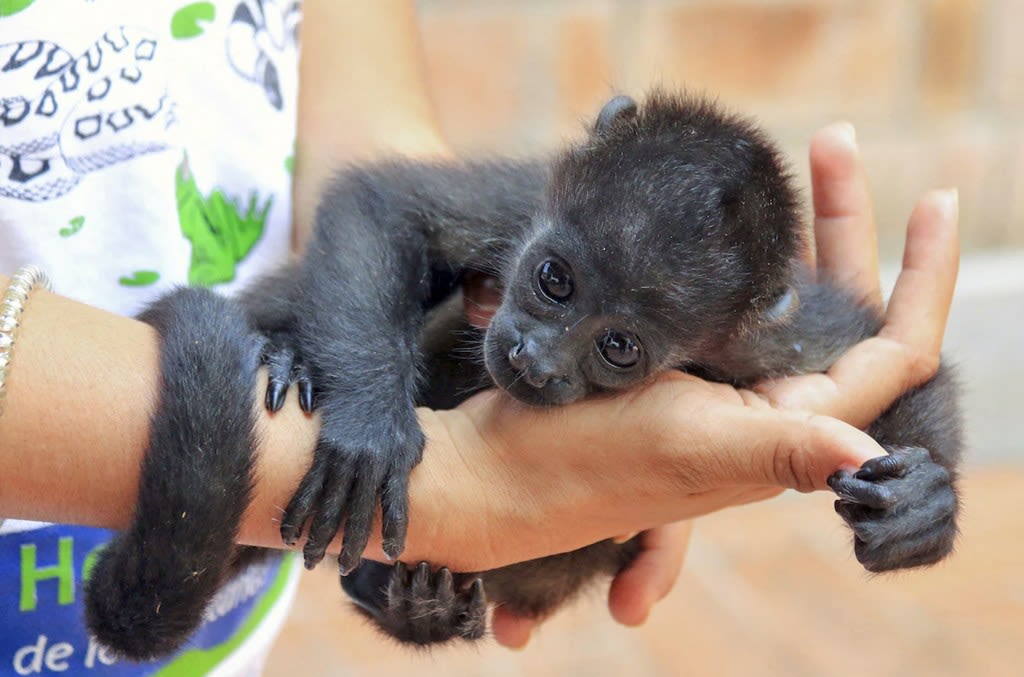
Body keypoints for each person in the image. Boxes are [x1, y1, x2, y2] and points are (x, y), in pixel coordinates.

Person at [0, 0, 959, 672]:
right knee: (374, 300)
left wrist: (923, 490)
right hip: (268, 432)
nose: (542, 351)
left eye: (616, 348)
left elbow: (901, 378)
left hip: (228, 587)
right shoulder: (544, 195)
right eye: (553, 283)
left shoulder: (761, 327)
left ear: (742, 329)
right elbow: (377, 206)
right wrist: (373, 399)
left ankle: (418, 592)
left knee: (579, 540)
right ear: (588, 150)